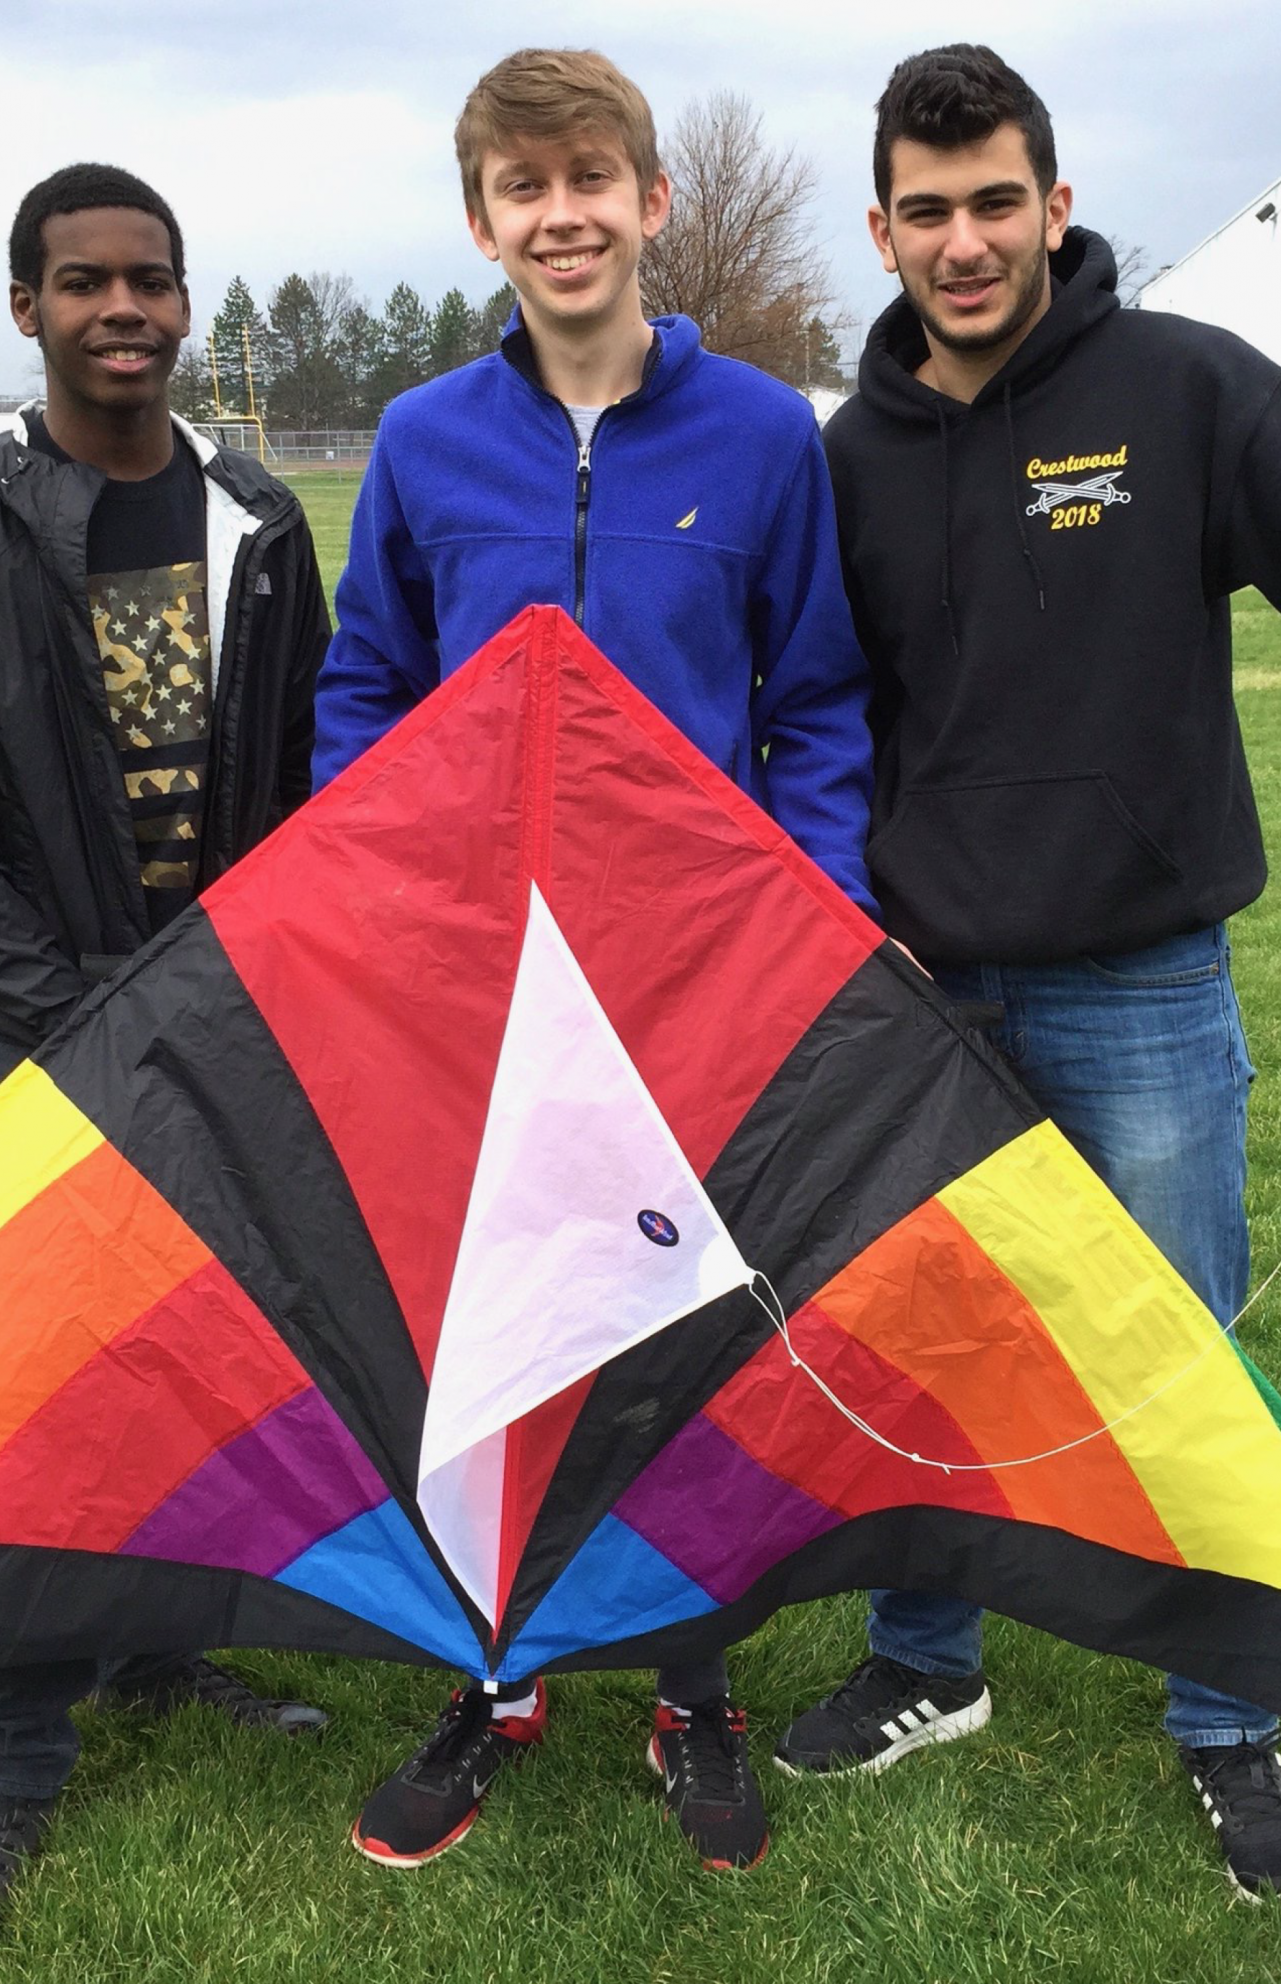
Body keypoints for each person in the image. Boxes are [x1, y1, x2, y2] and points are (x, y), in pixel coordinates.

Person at [772, 45, 1281, 1897]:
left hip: (1139, 984)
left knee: (1174, 1362)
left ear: (1054, 203)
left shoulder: (1176, 388)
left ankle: (1225, 1718)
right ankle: (925, 1665)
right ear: (879, 227)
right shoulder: (840, 457)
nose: (961, 241)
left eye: (992, 201)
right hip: (923, 996)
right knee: (928, 1356)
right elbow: (794, 707)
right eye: (924, 212)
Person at [313, 47, 877, 1872]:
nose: (560, 213)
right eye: (520, 185)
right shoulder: (420, 442)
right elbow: (364, 694)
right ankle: (492, 1677)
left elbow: (816, 709)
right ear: (482, 220)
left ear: (649, 200)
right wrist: (377, 911)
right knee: (486, 1326)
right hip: (479, 983)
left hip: (690, 981)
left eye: (590, 177)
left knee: (692, 1332)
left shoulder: (760, 440)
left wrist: (804, 925)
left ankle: (692, 1685)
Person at [0, 162, 334, 1954]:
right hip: (42, 1042)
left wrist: (251, 985)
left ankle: (157, 1652)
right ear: (26, 305)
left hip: (218, 1028)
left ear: (184, 304)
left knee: (203, 1362)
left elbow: (303, 781)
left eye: (150, 280)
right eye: (84, 283)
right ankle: (7, 1759)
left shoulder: (258, 520)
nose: (121, 308)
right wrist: (56, 1008)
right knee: (33, 1395)